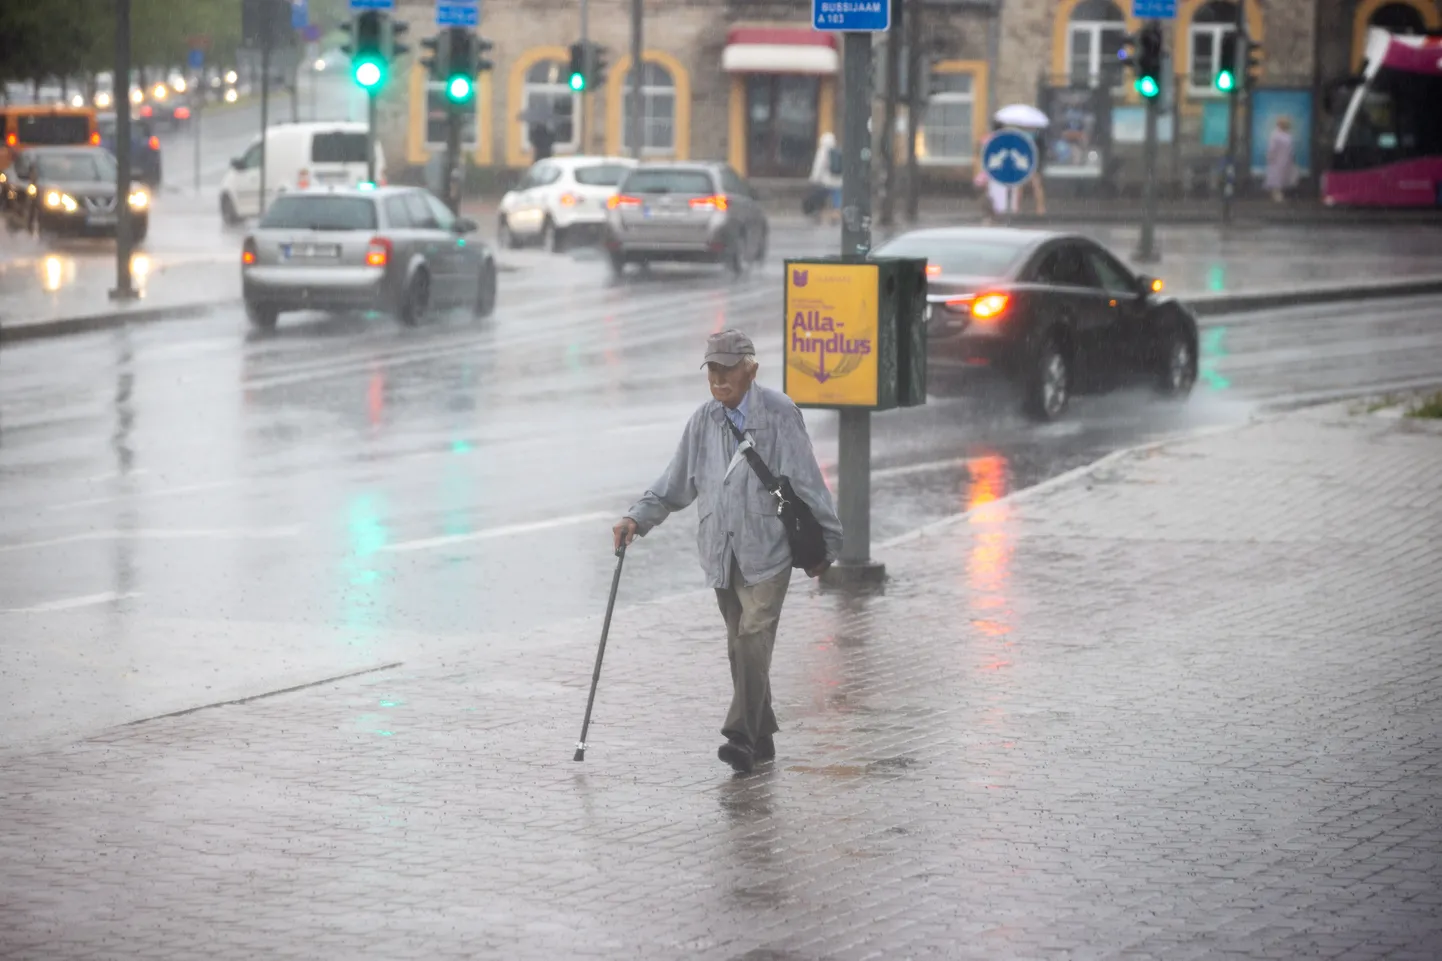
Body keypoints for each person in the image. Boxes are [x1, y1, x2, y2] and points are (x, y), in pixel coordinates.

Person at [612, 330, 843, 775]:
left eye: (727, 369)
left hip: (767, 550)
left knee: (753, 639)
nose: (719, 379)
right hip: (721, 552)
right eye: (712, 370)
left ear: (750, 370)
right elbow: (675, 483)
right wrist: (636, 519)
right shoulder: (704, 421)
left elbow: (810, 483)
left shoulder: (779, 415)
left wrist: (829, 544)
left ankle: (740, 735)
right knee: (740, 649)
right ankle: (763, 734)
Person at [808, 132, 843, 226]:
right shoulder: (836, 150)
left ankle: (819, 213)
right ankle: (835, 214)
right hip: (837, 180)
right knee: (836, 198)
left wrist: (814, 178)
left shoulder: (822, 151)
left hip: (826, 180)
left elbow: (818, 166)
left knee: (821, 197)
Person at [1264, 116, 1296, 203]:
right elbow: (1272, 148)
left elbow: (1291, 148)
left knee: (1282, 177)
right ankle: (1276, 193)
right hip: (1277, 159)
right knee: (1276, 177)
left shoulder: (1287, 134)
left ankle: (1279, 192)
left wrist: (1291, 157)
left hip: (1285, 159)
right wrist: (1270, 156)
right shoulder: (1275, 134)